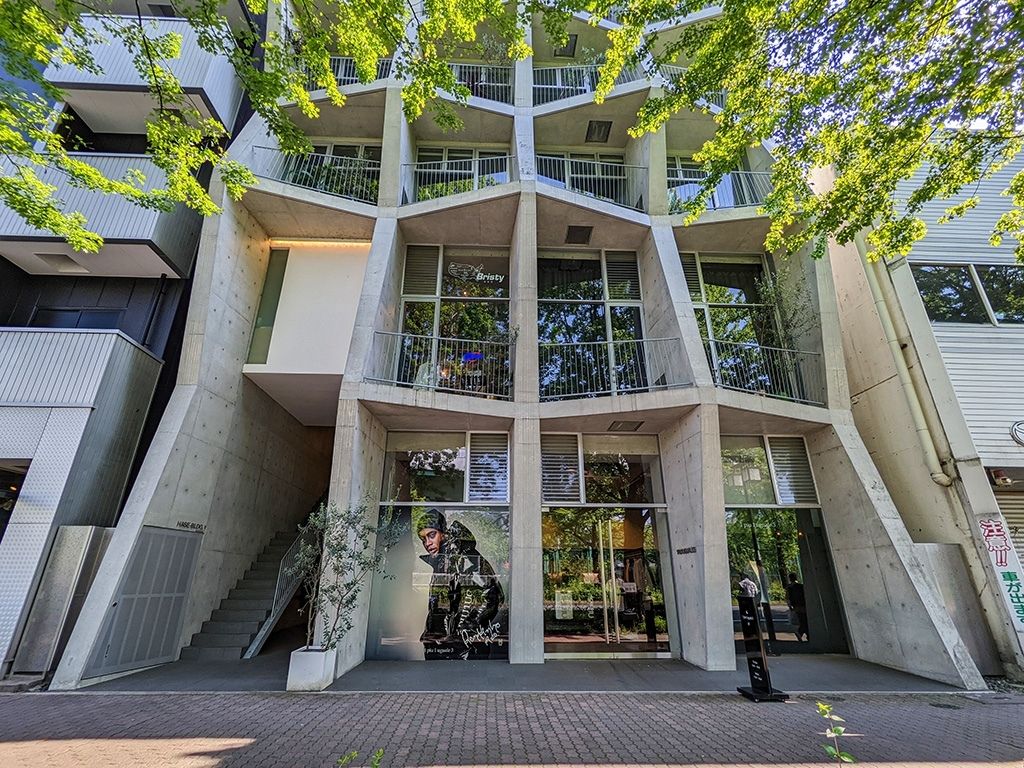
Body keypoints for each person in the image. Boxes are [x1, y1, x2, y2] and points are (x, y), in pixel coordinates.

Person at [415, 507, 505, 660]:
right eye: (423, 539)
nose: (427, 543)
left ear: (443, 533)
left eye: (431, 535)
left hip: (463, 649)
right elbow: (440, 606)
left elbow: (491, 594)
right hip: (442, 647)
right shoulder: (442, 561)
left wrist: (465, 631)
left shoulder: (465, 558)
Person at [785, 572, 809, 642]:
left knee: (802, 620)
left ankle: (802, 633)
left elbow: (787, 598)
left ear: (790, 579)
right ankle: (801, 632)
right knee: (805, 620)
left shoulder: (789, 587)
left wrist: (790, 607)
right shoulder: (801, 586)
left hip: (796, 606)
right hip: (803, 605)